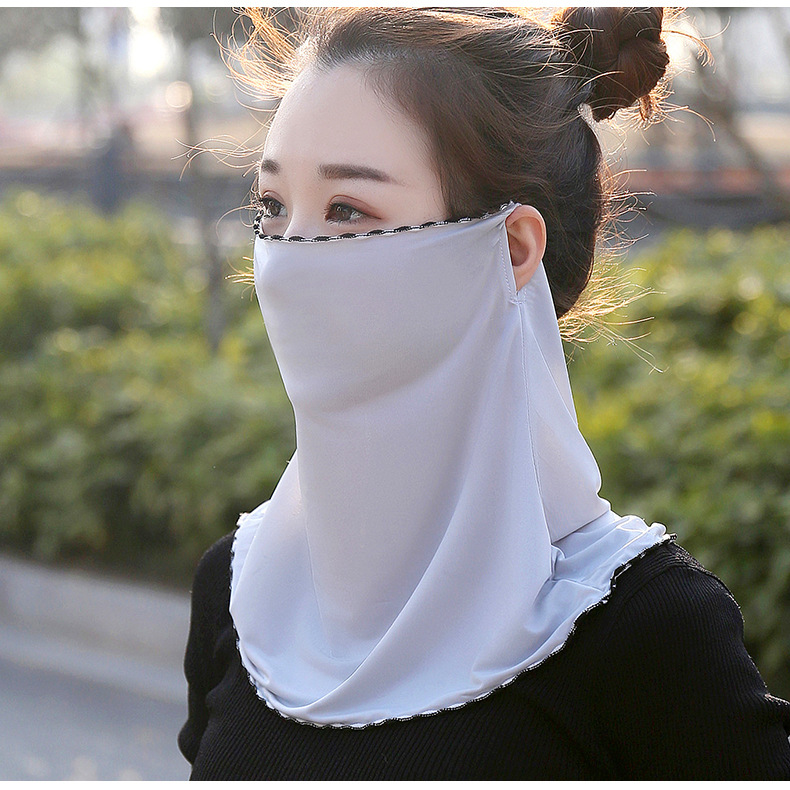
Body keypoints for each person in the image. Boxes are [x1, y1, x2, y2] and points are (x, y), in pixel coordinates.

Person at [178, 7, 790, 779]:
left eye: (346, 211)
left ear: (510, 246)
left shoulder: (642, 633)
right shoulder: (240, 595)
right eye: (272, 207)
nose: (289, 259)